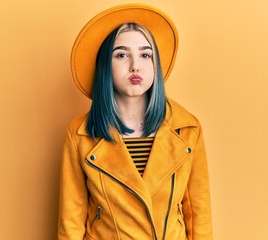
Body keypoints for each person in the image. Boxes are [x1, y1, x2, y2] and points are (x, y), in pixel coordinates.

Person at [58, 4, 212, 240]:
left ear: (155, 64)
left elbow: (199, 216)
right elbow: (71, 221)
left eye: (145, 54)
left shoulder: (187, 129)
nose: (135, 65)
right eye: (121, 54)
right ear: (104, 66)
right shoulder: (80, 134)